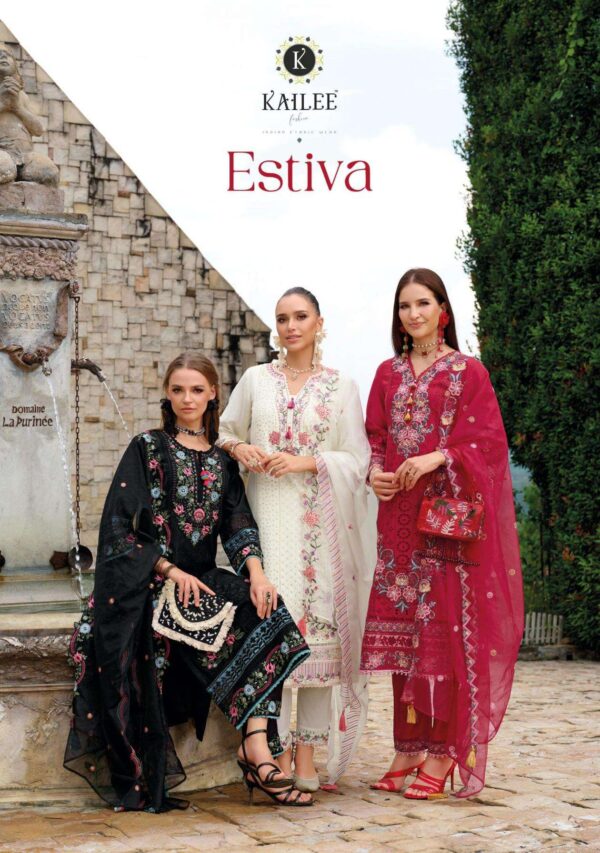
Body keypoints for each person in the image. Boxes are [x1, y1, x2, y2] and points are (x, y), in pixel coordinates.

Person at [64, 353, 314, 811]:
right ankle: (258, 756)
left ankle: (254, 744)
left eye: (197, 390)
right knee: (219, 627)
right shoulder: (147, 448)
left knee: (270, 614)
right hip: (153, 582)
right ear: (167, 393)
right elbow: (119, 527)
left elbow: (238, 524)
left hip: (203, 579)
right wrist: (168, 569)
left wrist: (257, 575)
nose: (187, 399)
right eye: (178, 389)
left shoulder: (222, 459)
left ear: (213, 394)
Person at [360, 268, 523, 799]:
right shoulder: (387, 373)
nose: (413, 314)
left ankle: (442, 753)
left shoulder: (467, 372)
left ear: (443, 311)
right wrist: (376, 474)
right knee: (404, 639)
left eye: (422, 303)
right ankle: (407, 747)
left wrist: (440, 457)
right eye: (404, 306)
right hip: (398, 523)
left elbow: (489, 446)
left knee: (444, 637)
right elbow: (375, 437)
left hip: (447, 527)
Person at [218, 288, 375, 791]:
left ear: (318, 323)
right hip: (267, 519)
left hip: (320, 526)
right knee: (273, 630)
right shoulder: (255, 380)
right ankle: (276, 750)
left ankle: (307, 754)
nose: (291, 326)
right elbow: (224, 432)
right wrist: (243, 450)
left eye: (301, 316)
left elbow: (358, 459)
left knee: (316, 638)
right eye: (283, 318)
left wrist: (306, 462)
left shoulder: (341, 386)